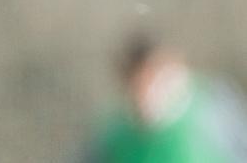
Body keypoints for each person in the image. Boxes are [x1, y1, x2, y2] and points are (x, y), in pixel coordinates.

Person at [80, 34, 247, 163]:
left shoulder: (212, 106)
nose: (148, 96)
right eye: (138, 87)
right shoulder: (114, 134)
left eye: (153, 81)